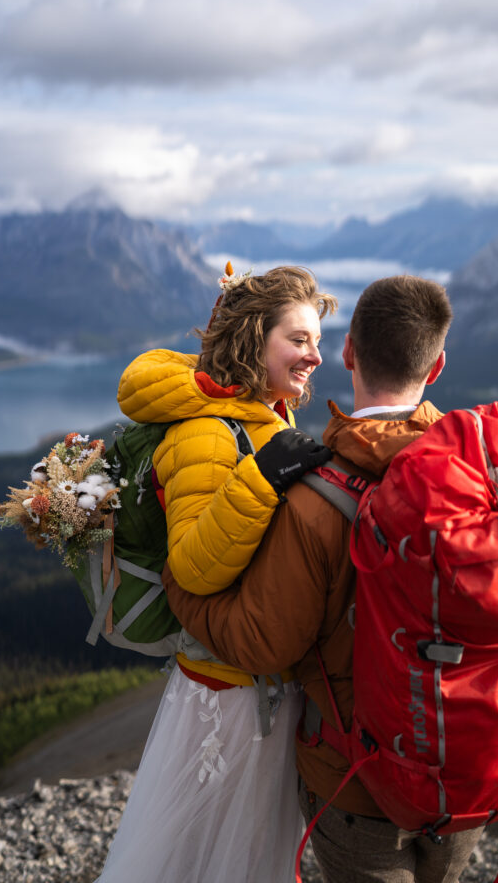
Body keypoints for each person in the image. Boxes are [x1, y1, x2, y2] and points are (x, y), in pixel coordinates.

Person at [164, 274, 485, 883]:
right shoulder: (480, 474)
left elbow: (265, 644)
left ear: (348, 354)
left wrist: (181, 589)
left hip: (360, 778)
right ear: (438, 366)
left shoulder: (316, 499)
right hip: (470, 764)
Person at [94, 265, 337, 883]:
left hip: (254, 688)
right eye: (299, 339)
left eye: (317, 340)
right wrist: (263, 478)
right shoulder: (206, 431)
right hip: (226, 700)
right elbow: (195, 569)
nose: (316, 355)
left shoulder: (260, 417)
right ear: (256, 339)